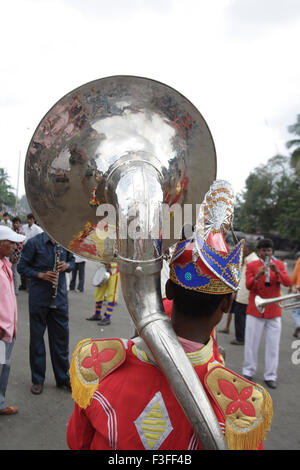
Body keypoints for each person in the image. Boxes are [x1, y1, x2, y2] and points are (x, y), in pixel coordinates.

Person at [67, 180, 273, 450]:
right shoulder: (242, 409)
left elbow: (76, 442)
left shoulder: (98, 365)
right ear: (226, 305)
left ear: (168, 290)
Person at [17, 231, 75, 395]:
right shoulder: (34, 243)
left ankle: (63, 378)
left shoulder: (64, 240)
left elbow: (73, 262)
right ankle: (38, 380)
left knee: (61, 341)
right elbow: (22, 267)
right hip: (39, 298)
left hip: (59, 299)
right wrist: (40, 275)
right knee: (37, 339)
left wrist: (67, 266)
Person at [242, 238, 291, 389]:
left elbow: (287, 283)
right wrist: (258, 275)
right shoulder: (251, 265)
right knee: (251, 343)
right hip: (255, 310)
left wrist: (276, 271)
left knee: (273, 346)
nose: (266, 253)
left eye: (269, 250)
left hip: (274, 311)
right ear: (259, 252)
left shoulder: (280, 265)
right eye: (263, 250)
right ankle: (248, 371)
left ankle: (270, 375)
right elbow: (249, 286)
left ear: (272, 251)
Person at [0, 226, 25, 415]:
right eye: (11, 242)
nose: (15, 245)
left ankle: (0, 402)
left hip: (8, 329)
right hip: (1, 330)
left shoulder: (5, 263)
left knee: (4, 367)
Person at [230, 241, 258, 345]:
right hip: (242, 293)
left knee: (240, 316)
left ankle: (240, 338)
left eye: (244, 248)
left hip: (245, 294)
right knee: (241, 316)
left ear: (249, 249)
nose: (243, 250)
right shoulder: (247, 259)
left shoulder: (253, 260)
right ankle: (242, 337)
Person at [19, 213, 43, 291]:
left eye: (30, 219)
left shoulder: (38, 229)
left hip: (33, 251)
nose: (28, 220)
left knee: (31, 267)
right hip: (23, 249)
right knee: (23, 266)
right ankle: (23, 285)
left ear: (34, 220)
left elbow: (41, 241)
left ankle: (30, 286)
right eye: (28, 219)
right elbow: (21, 236)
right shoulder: (24, 227)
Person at [9, 217, 25, 295]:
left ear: (20, 224)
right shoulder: (11, 231)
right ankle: (10, 289)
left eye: (17, 223)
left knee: (15, 273)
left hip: (16, 255)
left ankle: (15, 290)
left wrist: (16, 256)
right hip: (9, 254)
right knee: (9, 272)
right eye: (14, 223)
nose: (15, 224)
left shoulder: (21, 233)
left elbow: (20, 246)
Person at [290, 252, 300, 338]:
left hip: (299, 288)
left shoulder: (299, 261)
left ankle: (298, 324)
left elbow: (294, 275)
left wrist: (290, 285)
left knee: (296, 311)